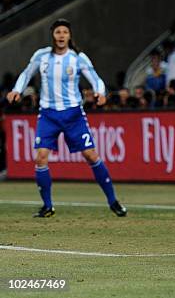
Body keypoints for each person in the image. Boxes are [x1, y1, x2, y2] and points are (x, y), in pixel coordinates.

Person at [6, 19, 127, 218]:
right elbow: (26, 74)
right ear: (53, 35)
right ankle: (47, 206)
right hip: (48, 115)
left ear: (69, 36)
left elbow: (96, 79)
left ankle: (113, 201)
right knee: (40, 157)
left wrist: (100, 92)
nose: (61, 35)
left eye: (65, 32)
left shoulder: (78, 58)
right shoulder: (41, 56)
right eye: (58, 32)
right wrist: (16, 90)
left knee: (91, 156)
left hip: (73, 115)